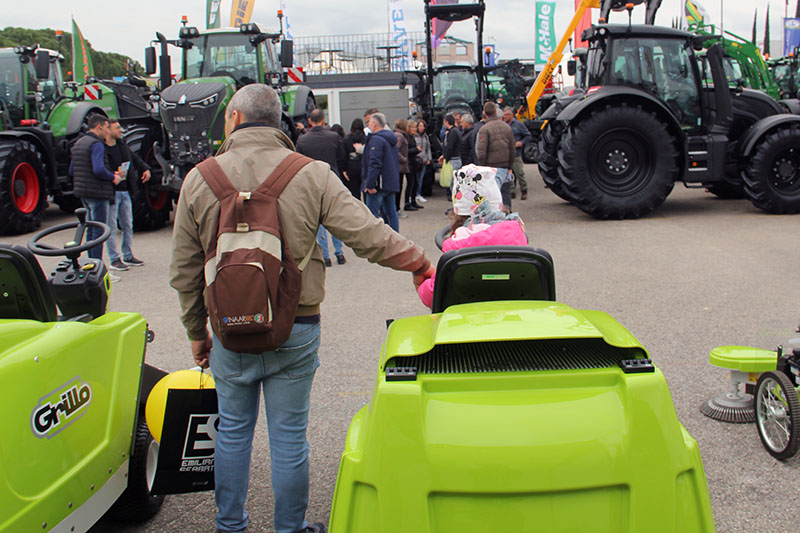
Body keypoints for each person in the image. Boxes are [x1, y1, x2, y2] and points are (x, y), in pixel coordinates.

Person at [169, 85, 434, 533]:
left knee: (232, 431)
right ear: (280, 122)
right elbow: (366, 233)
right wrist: (420, 262)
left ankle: (230, 525)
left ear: (233, 118)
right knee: (289, 437)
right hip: (296, 323)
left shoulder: (200, 177)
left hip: (229, 330)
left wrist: (198, 332)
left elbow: (184, 268)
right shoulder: (310, 173)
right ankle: (290, 528)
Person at [416, 164, 526, 308]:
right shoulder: (517, 235)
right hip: (510, 315)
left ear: (458, 213)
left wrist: (421, 284)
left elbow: (434, 294)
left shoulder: (457, 248)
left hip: (467, 321)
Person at [296, 109, 348, 266]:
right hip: (331, 178)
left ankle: (325, 256)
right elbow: (342, 157)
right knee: (335, 218)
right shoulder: (333, 137)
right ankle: (339, 252)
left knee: (318, 221)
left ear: (310, 122)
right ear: (324, 119)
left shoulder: (303, 140)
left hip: (312, 182)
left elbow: (298, 162)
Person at [70, 114, 122, 263]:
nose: (107, 131)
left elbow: (72, 170)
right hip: (97, 192)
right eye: (106, 127)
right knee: (99, 230)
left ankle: (89, 263)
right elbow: (98, 169)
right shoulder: (96, 144)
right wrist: (113, 176)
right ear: (99, 127)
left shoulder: (79, 143)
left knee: (90, 228)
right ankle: (97, 265)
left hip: (83, 192)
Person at [104, 119, 150, 271]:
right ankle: (114, 258)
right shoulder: (102, 148)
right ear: (108, 130)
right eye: (117, 128)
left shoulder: (122, 145)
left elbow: (133, 158)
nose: (120, 131)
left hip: (125, 190)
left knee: (127, 224)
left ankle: (128, 255)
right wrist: (112, 175)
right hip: (111, 191)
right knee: (110, 227)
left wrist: (145, 168)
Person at [362, 112, 401, 232]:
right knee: (391, 213)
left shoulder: (376, 140)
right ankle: (397, 240)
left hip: (379, 185)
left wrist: (370, 184)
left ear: (374, 123)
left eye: (369, 122)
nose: (368, 125)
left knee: (372, 216)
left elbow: (374, 163)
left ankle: (375, 242)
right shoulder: (390, 139)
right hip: (390, 182)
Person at [476, 101, 516, 209]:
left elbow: (481, 152)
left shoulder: (484, 129)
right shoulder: (507, 127)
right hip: (505, 165)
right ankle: (508, 216)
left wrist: (482, 167)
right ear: (495, 112)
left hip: (491, 167)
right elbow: (512, 148)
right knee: (505, 193)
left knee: (494, 195)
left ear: (484, 113)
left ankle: (496, 219)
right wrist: (510, 166)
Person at [503, 107, 532, 200]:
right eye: (504, 115)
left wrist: (521, 142)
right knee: (509, 174)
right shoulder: (503, 125)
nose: (505, 116)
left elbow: (528, 135)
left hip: (516, 154)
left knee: (519, 173)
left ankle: (524, 190)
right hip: (506, 154)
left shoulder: (519, 125)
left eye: (507, 115)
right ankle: (511, 191)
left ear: (512, 115)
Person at [438, 114, 461, 201]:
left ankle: (454, 200)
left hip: (453, 160)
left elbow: (450, 146)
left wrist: (446, 157)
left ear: (446, 122)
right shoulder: (451, 132)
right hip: (452, 159)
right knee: (451, 181)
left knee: (452, 182)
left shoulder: (453, 132)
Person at [343, 118, 366, 199]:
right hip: (363, 167)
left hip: (351, 168)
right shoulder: (366, 139)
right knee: (366, 193)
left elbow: (344, 155)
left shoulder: (346, 139)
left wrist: (344, 169)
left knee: (354, 194)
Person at [392, 118, 410, 215]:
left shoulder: (400, 135)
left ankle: (397, 208)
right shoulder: (399, 136)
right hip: (399, 166)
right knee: (398, 188)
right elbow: (396, 150)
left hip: (400, 167)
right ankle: (397, 209)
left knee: (399, 187)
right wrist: (403, 159)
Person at [404, 120, 422, 211]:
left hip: (413, 163)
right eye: (413, 127)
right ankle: (407, 202)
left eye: (415, 127)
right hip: (409, 163)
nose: (415, 129)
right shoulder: (407, 138)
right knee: (410, 183)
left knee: (415, 183)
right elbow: (406, 152)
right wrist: (416, 149)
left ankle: (413, 201)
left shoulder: (412, 137)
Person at [413, 119, 432, 204]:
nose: (422, 127)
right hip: (416, 160)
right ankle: (413, 195)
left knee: (421, 179)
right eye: (420, 125)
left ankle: (418, 194)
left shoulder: (425, 136)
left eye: (423, 126)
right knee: (415, 179)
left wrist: (429, 158)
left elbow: (428, 148)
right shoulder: (414, 136)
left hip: (423, 160)